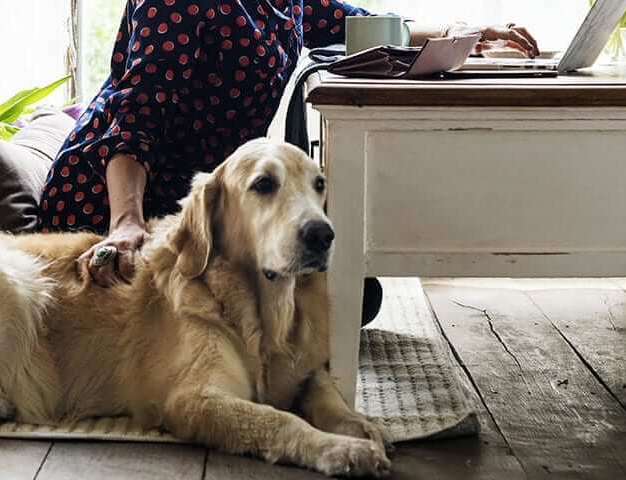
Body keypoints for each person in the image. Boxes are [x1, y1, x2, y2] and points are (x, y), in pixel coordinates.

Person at [37, 0, 539, 323]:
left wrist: (469, 32)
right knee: (332, 301)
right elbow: (134, 118)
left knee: (353, 296)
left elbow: (364, 25)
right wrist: (124, 222)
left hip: (218, 204)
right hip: (119, 192)